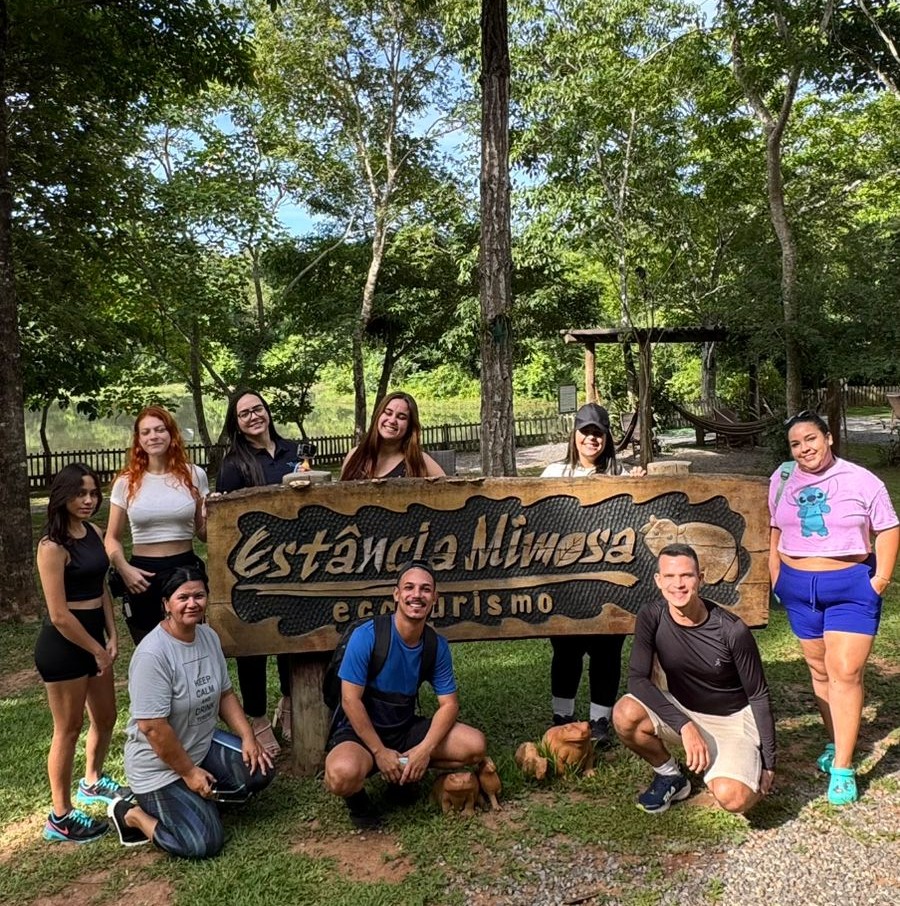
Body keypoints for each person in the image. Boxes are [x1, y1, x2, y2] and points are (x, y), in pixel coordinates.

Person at [769, 410, 898, 805]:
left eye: (811, 439)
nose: (804, 448)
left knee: (845, 671)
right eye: (795, 443)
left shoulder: (862, 480)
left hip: (850, 587)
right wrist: (776, 575)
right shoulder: (783, 477)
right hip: (797, 587)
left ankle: (842, 768)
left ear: (827, 438)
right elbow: (774, 525)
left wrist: (880, 580)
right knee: (820, 669)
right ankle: (836, 740)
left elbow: (888, 527)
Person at [109, 567, 274, 858]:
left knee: (260, 770)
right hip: (158, 768)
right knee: (204, 842)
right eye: (182, 597)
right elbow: (153, 728)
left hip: (200, 747)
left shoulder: (208, 636)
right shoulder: (152, 655)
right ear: (166, 604)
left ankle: (197, 800)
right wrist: (188, 772)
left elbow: (225, 694)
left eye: (199, 595)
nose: (192, 603)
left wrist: (248, 737)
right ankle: (131, 814)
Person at [613, 544, 776, 815]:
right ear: (658, 581)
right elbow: (637, 680)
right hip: (684, 710)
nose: (678, 584)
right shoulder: (651, 616)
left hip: (732, 720)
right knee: (625, 713)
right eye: (669, 576)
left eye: (686, 576)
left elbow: (758, 695)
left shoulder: (732, 630)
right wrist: (685, 726)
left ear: (700, 578)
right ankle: (670, 775)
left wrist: (770, 762)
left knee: (733, 799)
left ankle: (739, 760)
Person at [323, 561, 487, 828]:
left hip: (404, 728)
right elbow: (350, 700)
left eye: (425, 589)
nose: (417, 595)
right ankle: (359, 803)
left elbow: (449, 705)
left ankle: (404, 776)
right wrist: (379, 752)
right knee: (341, 774)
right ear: (397, 594)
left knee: (474, 746)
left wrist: (424, 750)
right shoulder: (367, 636)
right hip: (360, 733)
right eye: (409, 588)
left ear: (434, 598)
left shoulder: (435, 645)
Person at [33, 464, 130, 844]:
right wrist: (95, 651)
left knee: (106, 717)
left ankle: (91, 781)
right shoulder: (51, 546)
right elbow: (59, 614)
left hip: (95, 639)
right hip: (64, 646)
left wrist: (112, 634)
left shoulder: (94, 533)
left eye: (93, 493)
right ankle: (59, 816)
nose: (88, 500)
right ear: (63, 497)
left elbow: (100, 588)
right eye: (80, 494)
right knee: (68, 728)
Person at [541, 402, 643, 745]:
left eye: (598, 433)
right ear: (574, 435)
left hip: (610, 581)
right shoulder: (553, 473)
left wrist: (643, 486)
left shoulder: (622, 475)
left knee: (607, 652)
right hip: (567, 583)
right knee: (566, 651)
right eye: (585, 432)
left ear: (607, 437)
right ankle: (562, 717)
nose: (591, 439)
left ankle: (600, 722)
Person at [216, 388, 299, 757]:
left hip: (298, 562)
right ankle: (259, 719)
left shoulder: (294, 451)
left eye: (258, 409)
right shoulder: (233, 465)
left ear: (268, 412)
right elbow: (226, 521)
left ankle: (290, 702)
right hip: (253, 567)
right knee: (253, 643)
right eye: (244, 413)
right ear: (236, 423)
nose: (253, 416)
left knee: (292, 633)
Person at [106, 405, 209, 645]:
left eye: (160, 430)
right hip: (142, 575)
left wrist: (214, 517)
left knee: (189, 643)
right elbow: (111, 537)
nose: (153, 436)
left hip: (185, 570)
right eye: (146, 432)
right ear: (139, 440)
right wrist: (124, 569)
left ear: (171, 434)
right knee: (149, 645)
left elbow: (203, 534)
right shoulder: (126, 482)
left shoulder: (194, 475)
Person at [340, 391, 445, 479]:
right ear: (378, 415)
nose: (392, 420)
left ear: (409, 426)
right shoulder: (354, 456)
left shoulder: (419, 460)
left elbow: (449, 490)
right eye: (388, 413)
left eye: (401, 417)